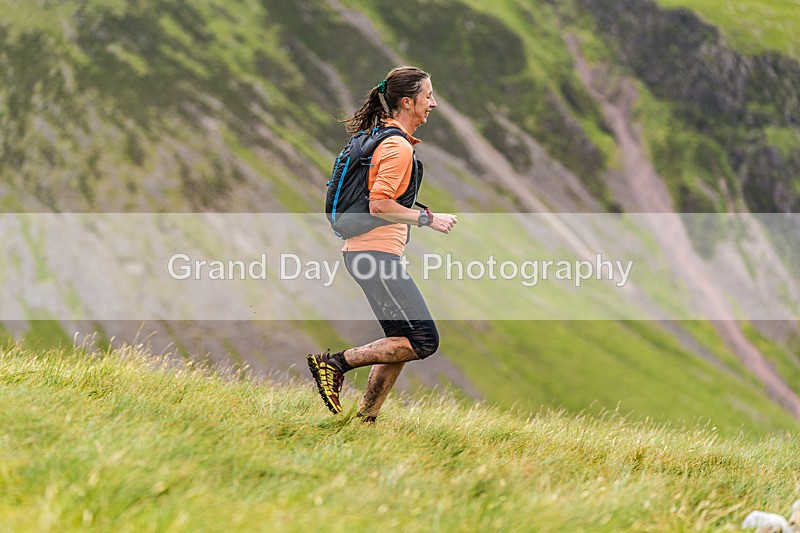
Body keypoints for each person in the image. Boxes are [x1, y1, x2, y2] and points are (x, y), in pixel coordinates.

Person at [307, 66, 458, 422]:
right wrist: (427, 219)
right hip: (374, 255)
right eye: (428, 96)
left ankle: (366, 420)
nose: (433, 104)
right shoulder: (397, 146)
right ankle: (334, 363)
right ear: (408, 102)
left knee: (400, 341)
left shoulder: (382, 137)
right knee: (424, 341)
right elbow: (379, 204)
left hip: (369, 253)